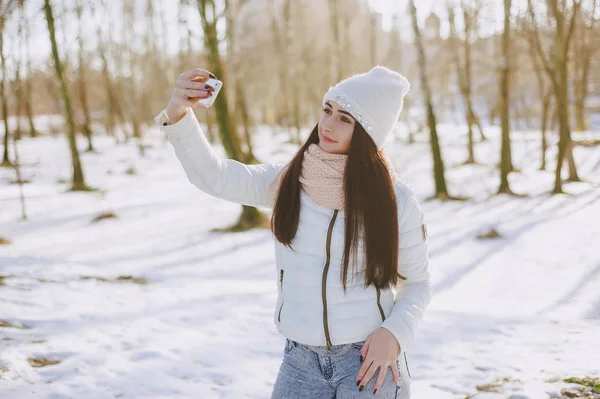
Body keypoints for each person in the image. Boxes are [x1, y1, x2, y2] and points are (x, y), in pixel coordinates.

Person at [154, 66, 431, 398]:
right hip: (300, 361)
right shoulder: (289, 183)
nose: (327, 125)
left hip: (369, 359)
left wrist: (394, 334)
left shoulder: (396, 201)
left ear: (369, 134)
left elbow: (417, 284)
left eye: (345, 119)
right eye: (327, 111)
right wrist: (179, 114)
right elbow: (214, 176)